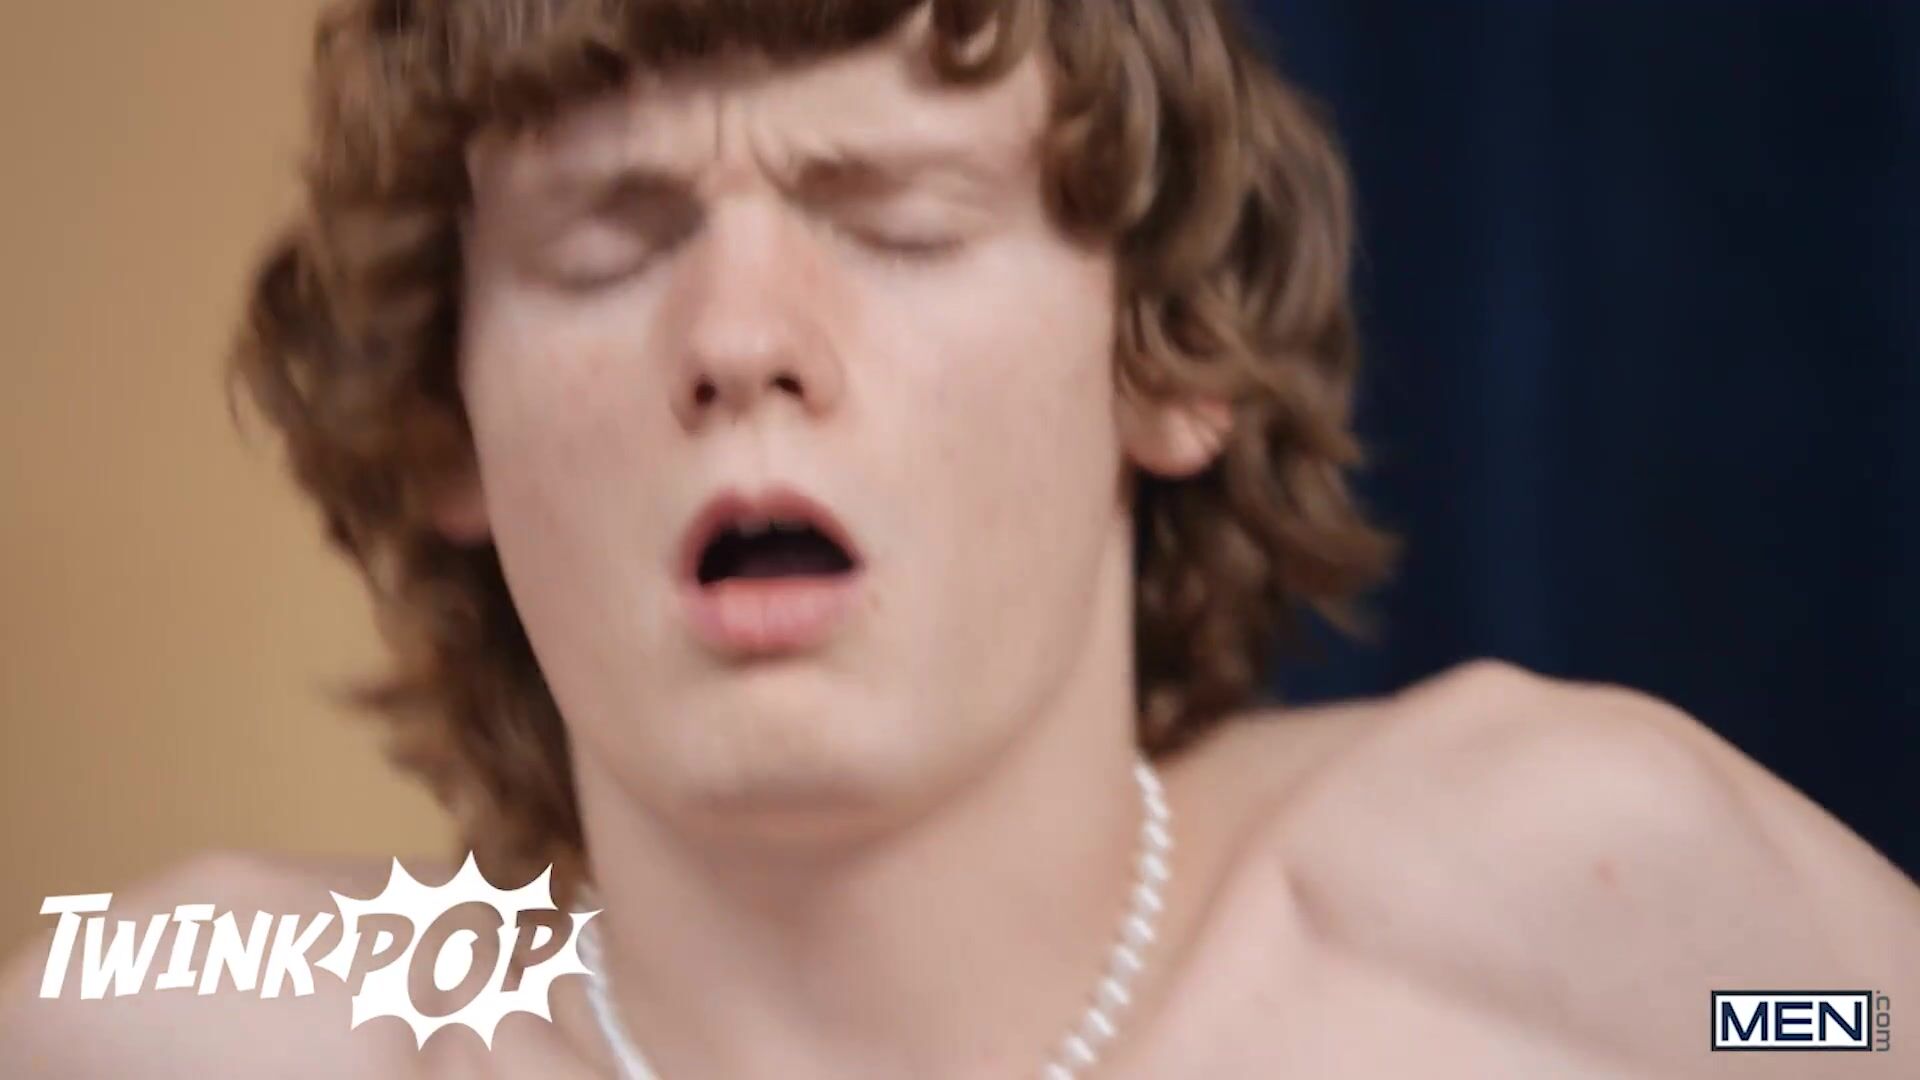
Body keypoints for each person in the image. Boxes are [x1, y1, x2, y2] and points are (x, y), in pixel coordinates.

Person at [4, 1, 1915, 1076]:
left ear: (1164, 354)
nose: (740, 337)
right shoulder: (177, 1034)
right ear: (448, 422)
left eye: (896, 220)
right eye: (608, 245)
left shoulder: (1617, 940)